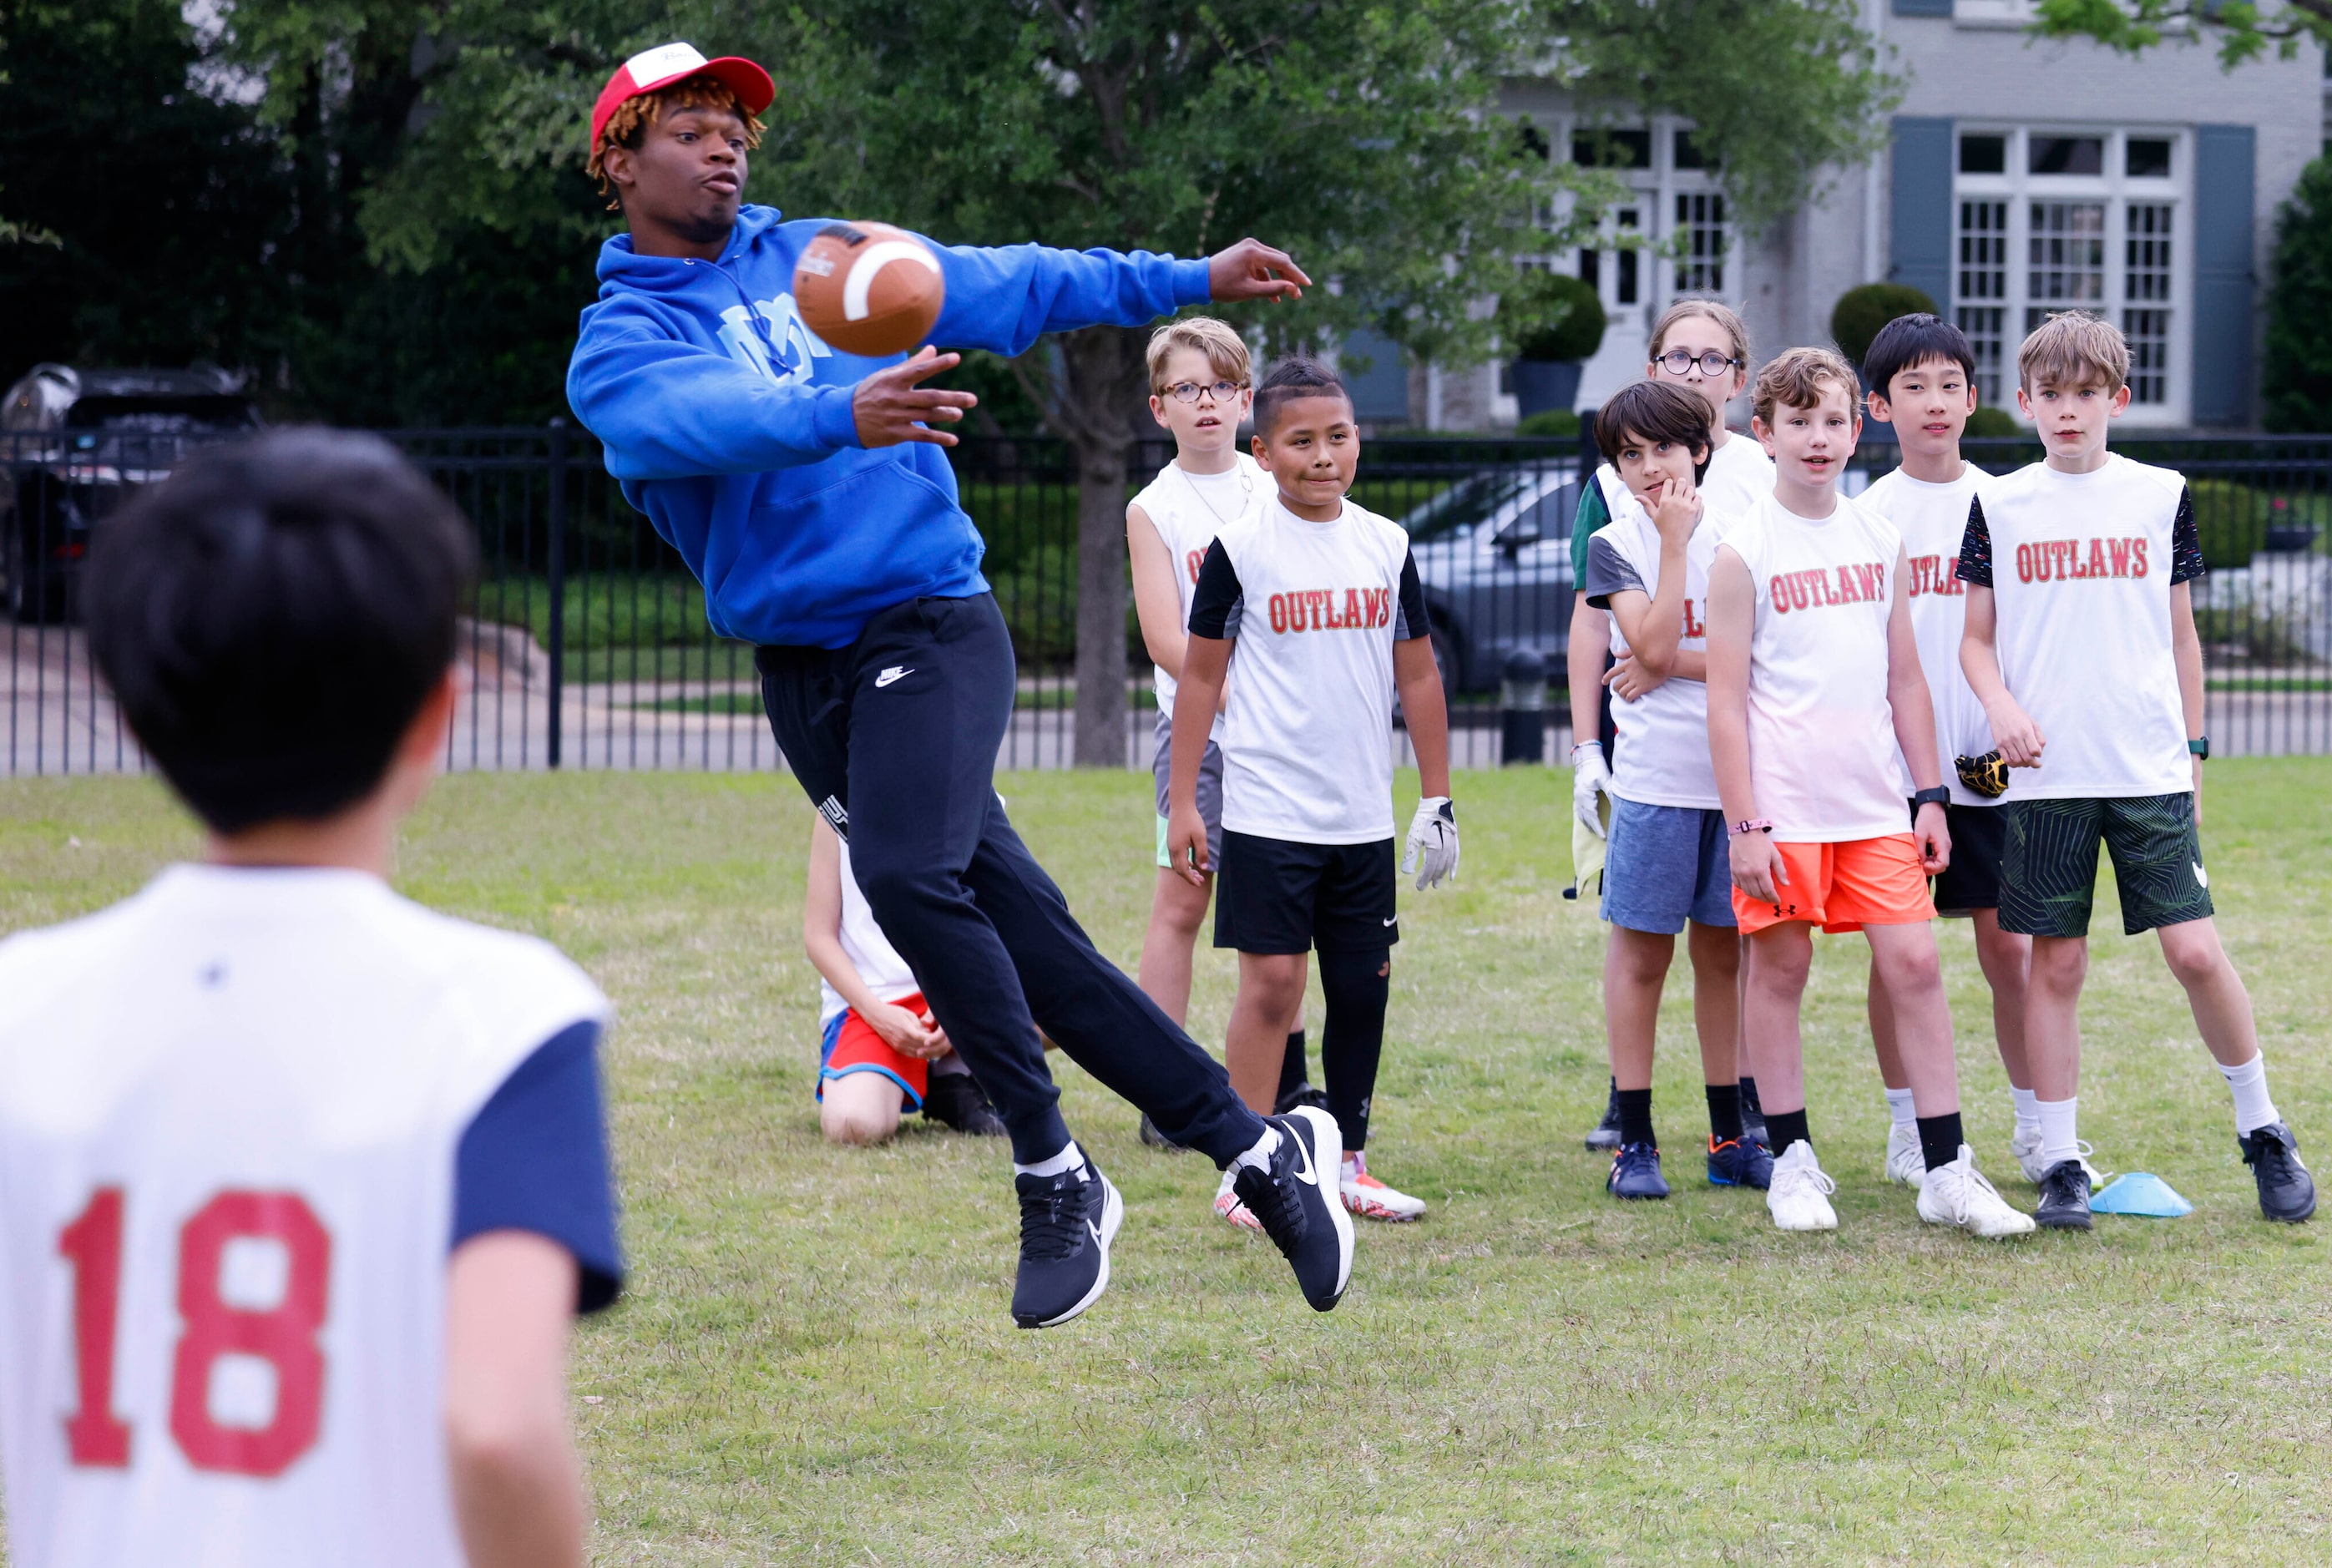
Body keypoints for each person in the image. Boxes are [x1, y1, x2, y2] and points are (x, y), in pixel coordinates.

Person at [565, 43, 1351, 1327]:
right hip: (804, 670)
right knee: (1034, 948)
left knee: (905, 878)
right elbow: (691, 421)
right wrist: (837, 413)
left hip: (928, 619)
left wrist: (1186, 278)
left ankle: (1052, 1169)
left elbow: (1006, 281)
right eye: (691, 125)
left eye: (736, 124)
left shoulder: (823, 257)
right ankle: (1257, 1149)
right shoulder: (619, 345)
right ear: (619, 157)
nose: (727, 144)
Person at [0, 431, 620, 1565]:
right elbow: (498, 1426)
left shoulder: (21, 1007)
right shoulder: (505, 1017)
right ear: (438, 713)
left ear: (135, 716)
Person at [1956, 310, 2318, 1229]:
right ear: (2027, 403)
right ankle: (2063, 1159)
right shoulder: (1999, 502)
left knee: (2194, 951)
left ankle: (2265, 1129)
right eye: (2050, 396)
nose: (2067, 412)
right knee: (2058, 964)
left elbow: (2183, 635)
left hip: (2147, 766)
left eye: (2085, 395)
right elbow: (1975, 642)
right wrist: (2001, 709)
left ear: (2117, 398)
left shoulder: (2161, 492)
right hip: (2046, 778)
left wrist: (2194, 752)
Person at [1705, 346, 2034, 1238]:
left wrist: (1929, 795)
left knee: (1917, 967)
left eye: (1834, 420)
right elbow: (1725, 705)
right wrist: (1745, 825)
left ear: (1859, 428)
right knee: (1781, 970)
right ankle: (1794, 1161)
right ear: (1763, 433)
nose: (1819, 438)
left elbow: (1908, 683)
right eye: (1799, 421)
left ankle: (1946, 1170)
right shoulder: (1742, 553)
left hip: (1877, 807)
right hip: (1784, 812)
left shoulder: (1876, 538)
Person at [1168, 357, 1460, 1226]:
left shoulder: (1385, 543)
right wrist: (1185, 800)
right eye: (1302, 441)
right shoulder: (1242, 547)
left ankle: (1348, 1162)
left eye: (1339, 437)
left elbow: (1419, 675)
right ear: (1263, 452)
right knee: (1274, 987)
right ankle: (1245, 1168)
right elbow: (1198, 681)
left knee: (1362, 987)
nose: (1323, 456)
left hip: (1360, 816)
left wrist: (1435, 797)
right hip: (1266, 811)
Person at [1569, 298, 1774, 1151]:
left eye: (1712, 360)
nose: (1695, 374)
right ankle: (1636, 1124)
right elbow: (1616, 632)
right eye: (1678, 357)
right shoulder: (1616, 523)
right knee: (1642, 948)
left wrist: (1671, 661)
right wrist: (1587, 745)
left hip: (1737, 771)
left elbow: (1759, 653)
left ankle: (1738, 1124)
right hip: (1652, 773)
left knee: (1728, 949)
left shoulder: (1754, 501)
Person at [1857, 315, 2050, 1190]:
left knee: (2010, 949)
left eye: (1948, 386)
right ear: (1878, 407)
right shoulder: (1865, 520)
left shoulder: (2009, 506)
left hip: (1988, 772)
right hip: (1894, 778)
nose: (1933, 404)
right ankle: (1911, 1127)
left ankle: (2039, 1126)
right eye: (1912, 388)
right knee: (1899, 955)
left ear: (1974, 400)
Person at [1124, 318, 1316, 1161]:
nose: (1206, 403)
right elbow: (1168, 639)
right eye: (1186, 389)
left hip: (1287, 736)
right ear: (1158, 405)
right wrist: (1246, 696)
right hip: (1204, 730)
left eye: (1222, 387)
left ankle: (1287, 1079)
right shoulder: (1154, 508)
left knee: (1281, 902)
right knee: (1184, 899)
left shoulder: (1270, 484)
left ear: (1247, 400)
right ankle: (1164, 1090)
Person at [804, 818, 1009, 1145]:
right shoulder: (836, 800)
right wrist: (877, 1015)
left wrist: (956, 1005)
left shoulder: (972, 790)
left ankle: (952, 1073)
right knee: (852, 1125)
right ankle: (902, 1071)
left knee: (1061, 1004)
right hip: (873, 1004)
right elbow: (818, 937)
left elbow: (994, 916)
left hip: (954, 988)